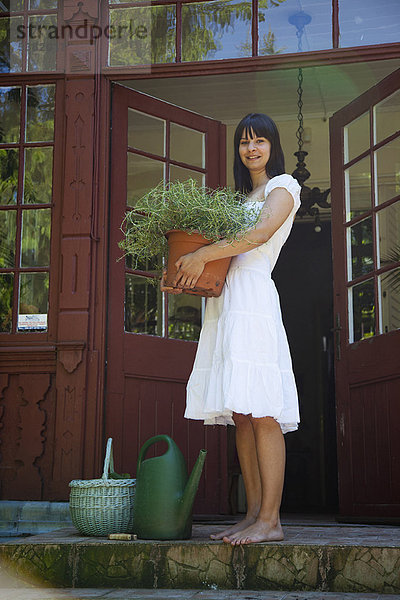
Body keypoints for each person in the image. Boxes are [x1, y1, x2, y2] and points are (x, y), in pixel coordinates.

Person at [161, 113, 301, 545]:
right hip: (225, 301)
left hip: (254, 300)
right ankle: (253, 514)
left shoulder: (284, 187)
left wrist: (202, 254)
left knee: (262, 410)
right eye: (244, 142)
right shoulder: (241, 196)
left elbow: (259, 235)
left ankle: (272, 520)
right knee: (241, 413)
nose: (251, 148)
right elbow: (220, 253)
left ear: (273, 147)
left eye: (260, 140)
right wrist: (186, 265)